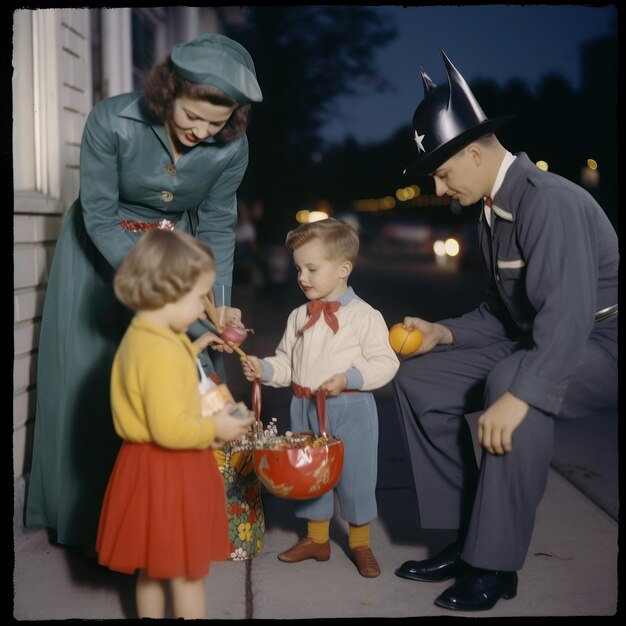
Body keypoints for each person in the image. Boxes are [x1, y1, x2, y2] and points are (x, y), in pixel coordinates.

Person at [393, 51, 618, 611]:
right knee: (420, 380)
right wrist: (443, 334)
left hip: (599, 346)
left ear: (473, 152)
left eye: (442, 173)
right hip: (542, 338)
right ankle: (464, 539)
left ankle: (494, 564)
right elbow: (503, 311)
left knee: (511, 380)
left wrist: (522, 396)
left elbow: (566, 320)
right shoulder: (493, 210)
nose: (440, 188)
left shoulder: (551, 203)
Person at [25, 33, 263, 550]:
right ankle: (89, 521)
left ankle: (173, 519)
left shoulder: (232, 148)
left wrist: (216, 302)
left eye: (216, 123)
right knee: (94, 374)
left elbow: (219, 225)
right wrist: (158, 282)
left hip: (176, 259)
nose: (202, 131)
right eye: (191, 116)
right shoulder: (110, 119)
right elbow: (100, 215)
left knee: (186, 368)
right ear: (167, 92)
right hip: (98, 252)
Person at [95, 229, 254, 619]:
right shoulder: (161, 351)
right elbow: (170, 429)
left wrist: (195, 347)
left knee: (153, 569)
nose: (205, 309)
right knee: (186, 574)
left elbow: (164, 380)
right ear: (167, 293)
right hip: (172, 468)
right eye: (198, 297)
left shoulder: (147, 334)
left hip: (143, 466)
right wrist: (218, 428)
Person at [240, 218, 399, 578]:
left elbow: (386, 363)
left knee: (356, 476)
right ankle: (317, 540)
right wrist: (264, 369)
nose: (302, 277)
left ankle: (360, 543)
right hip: (305, 406)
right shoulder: (299, 316)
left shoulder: (364, 316)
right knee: (308, 474)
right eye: (298, 268)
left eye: (312, 268)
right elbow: (287, 362)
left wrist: (350, 378)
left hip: (350, 407)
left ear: (344, 269)